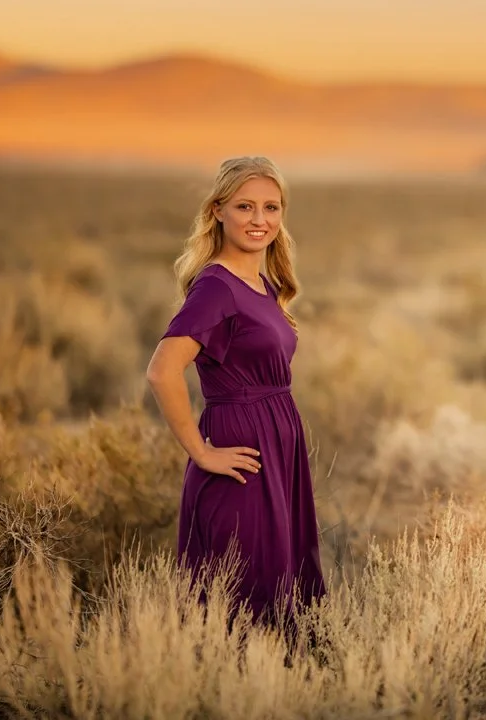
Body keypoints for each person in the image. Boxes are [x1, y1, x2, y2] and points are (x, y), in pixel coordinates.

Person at [145, 155, 325, 627]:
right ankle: (231, 693)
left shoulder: (261, 283)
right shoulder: (216, 288)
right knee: (243, 594)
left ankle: (275, 693)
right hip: (240, 452)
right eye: (245, 207)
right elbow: (163, 370)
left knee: (281, 583)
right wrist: (201, 452)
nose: (259, 220)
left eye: (271, 207)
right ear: (218, 211)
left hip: (278, 449)